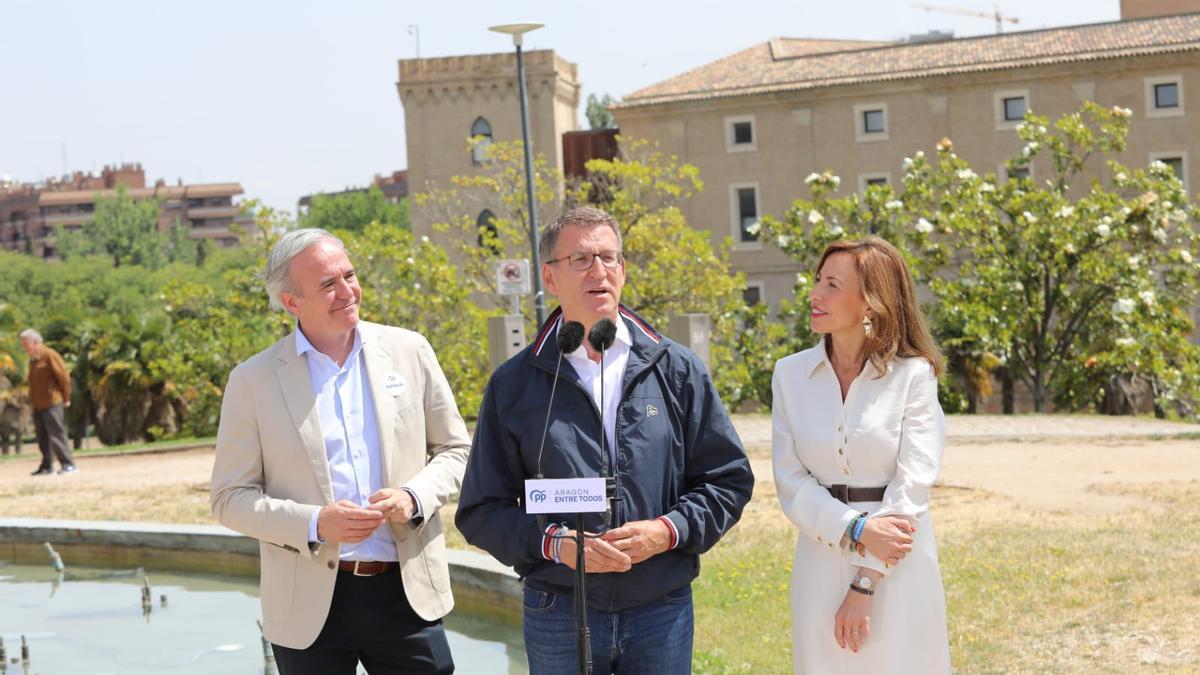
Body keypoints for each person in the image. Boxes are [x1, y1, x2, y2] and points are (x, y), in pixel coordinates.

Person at [456, 206, 754, 674]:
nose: (599, 270)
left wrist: (667, 531)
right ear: (550, 277)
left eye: (608, 258)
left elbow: (727, 481)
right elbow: (481, 509)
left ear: (623, 271)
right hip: (557, 610)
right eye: (580, 259)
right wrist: (555, 544)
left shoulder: (676, 369)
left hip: (661, 606)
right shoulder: (514, 384)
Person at [210, 229, 470, 674]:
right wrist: (315, 523)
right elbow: (229, 498)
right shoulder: (252, 380)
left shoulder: (410, 350)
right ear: (292, 302)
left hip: (405, 593)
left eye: (349, 275)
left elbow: (456, 451)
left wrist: (413, 497)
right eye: (328, 285)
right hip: (307, 606)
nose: (348, 292)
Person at [771, 236, 951, 674]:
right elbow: (791, 482)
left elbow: (913, 487)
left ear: (871, 302)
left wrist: (865, 581)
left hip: (898, 562)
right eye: (817, 281)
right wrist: (854, 527)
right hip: (820, 554)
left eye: (832, 285)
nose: (815, 295)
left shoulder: (914, 376)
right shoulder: (790, 374)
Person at [20, 329, 77, 476]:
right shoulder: (33, 359)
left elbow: (64, 378)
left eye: (26, 343)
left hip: (52, 402)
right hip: (38, 404)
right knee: (42, 437)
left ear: (36, 342)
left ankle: (68, 464)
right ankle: (47, 466)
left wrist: (66, 398)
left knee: (57, 434)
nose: (24, 347)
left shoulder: (49, 355)